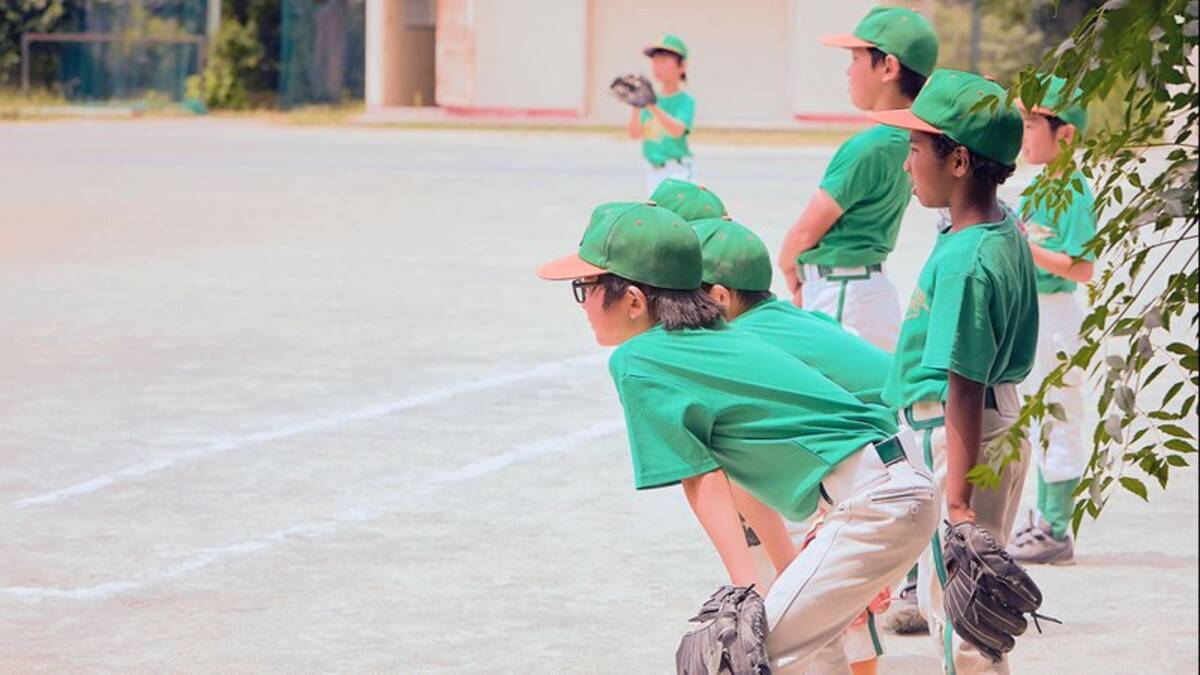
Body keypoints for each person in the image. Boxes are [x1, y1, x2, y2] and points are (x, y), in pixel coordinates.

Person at [537, 201, 937, 672]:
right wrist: (779, 575)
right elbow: (739, 474)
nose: (582, 303)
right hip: (890, 487)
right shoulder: (723, 334)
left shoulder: (640, 359)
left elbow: (703, 479)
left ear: (633, 301)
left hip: (872, 502)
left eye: (586, 287)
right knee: (817, 659)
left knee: (738, 659)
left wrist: (746, 589)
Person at [867, 68, 1039, 674]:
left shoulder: (968, 259)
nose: (908, 163)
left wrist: (959, 505)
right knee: (969, 619)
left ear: (959, 160)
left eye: (917, 149)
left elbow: (962, 383)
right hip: (991, 422)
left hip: (961, 434)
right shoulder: (998, 226)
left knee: (962, 623)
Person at [693, 214, 898, 674]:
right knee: (841, 614)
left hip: (885, 464)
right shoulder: (781, 319)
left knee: (828, 613)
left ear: (721, 297)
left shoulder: (743, 343)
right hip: (886, 460)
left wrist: (833, 536)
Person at [777, 6, 938, 352]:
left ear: (889, 67)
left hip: (840, 289)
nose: (848, 72)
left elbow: (806, 231)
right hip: (872, 288)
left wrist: (789, 268)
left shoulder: (869, 146)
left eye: (855, 58)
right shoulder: (914, 140)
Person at [1007, 75, 1097, 565]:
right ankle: (1043, 517)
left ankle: (1056, 528)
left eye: (1030, 124)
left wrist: (1029, 249)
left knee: (1058, 411)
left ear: (1064, 135)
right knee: (1038, 416)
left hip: (1057, 313)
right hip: (1035, 311)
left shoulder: (1074, 188)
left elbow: (1082, 267)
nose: (1023, 134)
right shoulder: (1041, 184)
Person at [623, 35, 696, 196]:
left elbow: (677, 130)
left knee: (677, 219)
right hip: (653, 172)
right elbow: (634, 134)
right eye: (655, 62)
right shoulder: (650, 99)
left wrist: (651, 105)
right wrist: (636, 105)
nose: (657, 67)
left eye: (664, 61)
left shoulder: (685, 100)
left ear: (681, 66)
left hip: (678, 171)